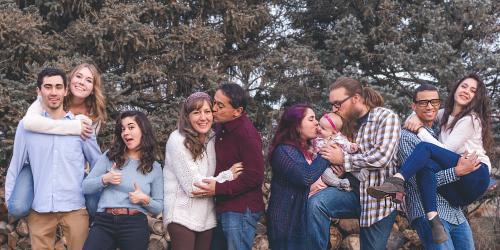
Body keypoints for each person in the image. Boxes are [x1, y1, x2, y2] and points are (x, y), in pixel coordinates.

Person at [367, 74, 492, 244]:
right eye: (464, 86)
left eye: (473, 90)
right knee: (425, 163)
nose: (430, 107)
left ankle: (396, 180)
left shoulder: (470, 119)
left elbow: (444, 149)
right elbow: (416, 180)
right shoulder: (432, 123)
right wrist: (413, 118)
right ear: (455, 88)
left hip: (475, 172)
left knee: (425, 150)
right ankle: (431, 215)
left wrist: (420, 129)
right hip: (441, 204)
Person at [5, 68, 101, 249]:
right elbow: (16, 164)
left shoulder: (82, 127)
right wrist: (11, 199)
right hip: (40, 209)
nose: (53, 92)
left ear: (66, 91)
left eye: (58, 87)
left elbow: (98, 163)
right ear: (39, 91)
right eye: (48, 87)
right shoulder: (26, 127)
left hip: (75, 207)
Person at [308, 77, 401, 250]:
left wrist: (344, 160)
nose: (333, 109)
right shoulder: (345, 123)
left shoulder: (386, 117)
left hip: (378, 200)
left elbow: (382, 157)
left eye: (337, 103)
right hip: (352, 192)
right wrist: (338, 169)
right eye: (332, 104)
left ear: (356, 98)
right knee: (316, 204)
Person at [393, 83, 478, 249]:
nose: (430, 106)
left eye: (434, 102)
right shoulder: (407, 138)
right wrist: (457, 172)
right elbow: (418, 181)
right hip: (428, 213)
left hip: (455, 213)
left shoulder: (440, 134)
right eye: (424, 102)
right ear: (414, 106)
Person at [163, 92, 244, 250]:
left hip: (206, 218)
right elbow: (194, 187)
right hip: (181, 216)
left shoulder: (212, 137)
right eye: (196, 112)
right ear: (187, 116)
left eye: (207, 112)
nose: (203, 117)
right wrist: (228, 175)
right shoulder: (177, 140)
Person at [192, 83, 265, 250]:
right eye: (214, 102)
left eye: (220, 105)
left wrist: (218, 188)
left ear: (237, 111)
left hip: (240, 211)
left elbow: (254, 177)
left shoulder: (247, 135)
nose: (214, 109)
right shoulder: (220, 127)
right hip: (221, 207)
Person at [82, 111, 163, 250]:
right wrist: (105, 179)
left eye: (131, 127)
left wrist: (144, 199)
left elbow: (159, 207)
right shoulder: (110, 156)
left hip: (135, 223)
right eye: (123, 129)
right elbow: (85, 187)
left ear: (143, 129)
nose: (125, 132)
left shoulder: (154, 167)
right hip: (104, 222)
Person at [266, 104, 331, 249]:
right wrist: (327, 153)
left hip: (303, 221)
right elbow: (306, 177)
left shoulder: (309, 150)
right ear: (296, 125)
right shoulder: (284, 151)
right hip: (286, 223)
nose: (317, 122)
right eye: (311, 119)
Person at [315, 112, 367, 193]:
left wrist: (352, 147)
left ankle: (360, 174)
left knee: (350, 164)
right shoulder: (316, 140)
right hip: (329, 166)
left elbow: (346, 145)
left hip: (344, 161)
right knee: (325, 174)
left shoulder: (339, 138)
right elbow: (314, 153)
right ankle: (340, 183)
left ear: (334, 132)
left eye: (323, 128)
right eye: (318, 125)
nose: (319, 128)